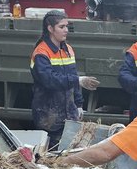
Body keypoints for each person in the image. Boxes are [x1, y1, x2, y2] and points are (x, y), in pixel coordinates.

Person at [30, 10, 98, 150]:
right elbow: (49, 80)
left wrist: (79, 104)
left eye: (67, 26)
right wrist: (77, 81)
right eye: (62, 27)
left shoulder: (68, 49)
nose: (66, 30)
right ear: (50, 29)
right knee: (51, 154)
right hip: (49, 115)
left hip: (68, 114)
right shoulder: (41, 52)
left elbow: (73, 75)